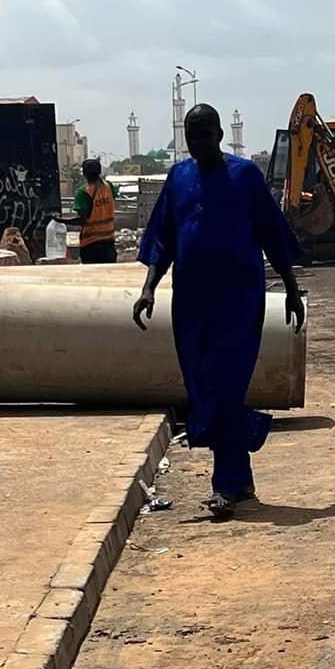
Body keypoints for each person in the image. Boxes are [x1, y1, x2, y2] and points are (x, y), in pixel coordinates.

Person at [132, 104, 305, 519]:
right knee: (203, 390)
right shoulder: (179, 177)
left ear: (221, 134)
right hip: (191, 303)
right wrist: (149, 288)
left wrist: (292, 290)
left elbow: (272, 234)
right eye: (191, 136)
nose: (197, 143)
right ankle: (244, 463)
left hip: (239, 301)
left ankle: (225, 486)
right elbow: (163, 239)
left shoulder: (244, 176)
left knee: (227, 387)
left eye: (204, 134)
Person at [57, 159, 117, 264]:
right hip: (109, 242)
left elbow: (81, 220)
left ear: (84, 173)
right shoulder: (109, 187)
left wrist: (60, 220)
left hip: (91, 244)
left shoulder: (83, 192)